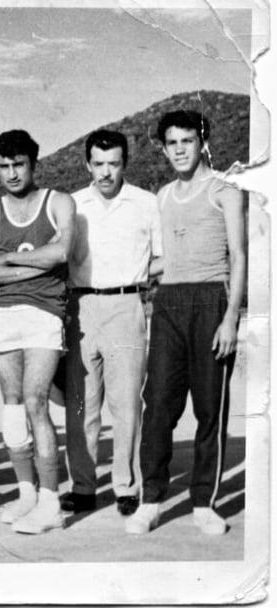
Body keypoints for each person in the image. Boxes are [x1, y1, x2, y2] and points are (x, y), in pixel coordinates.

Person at [125, 110, 246, 535]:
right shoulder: (161, 196)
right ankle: (151, 500)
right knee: (157, 405)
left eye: (187, 141)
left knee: (210, 409)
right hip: (169, 303)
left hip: (211, 300)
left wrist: (231, 318)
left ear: (203, 142)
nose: (179, 149)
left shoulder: (225, 192)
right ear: (163, 148)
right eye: (172, 143)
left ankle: (203, 504)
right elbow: (164, 259)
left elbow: (239, 257)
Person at [0, 129, 76, 534]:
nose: (12, 173)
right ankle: (28, 494)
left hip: (44, 312)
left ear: (34, 164)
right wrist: (36, 261)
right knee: (13, 406)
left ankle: (52, 504)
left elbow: (63, 253)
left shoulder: (58, 203)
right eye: (4, 166)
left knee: (36, 402)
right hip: (1, 313)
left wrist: (10, 258)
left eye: (19, 164)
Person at [61, 129, 162, 517]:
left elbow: (162, 257)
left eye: (114, 164)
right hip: (81, 307)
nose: (106, 173)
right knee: (81, 404)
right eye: (99, 164)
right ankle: (83, 487)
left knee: (126, 404)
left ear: (125, 164)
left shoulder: (146, 203)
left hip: (127, 306)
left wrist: (136, 276)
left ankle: (126, 487)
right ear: (87, 164)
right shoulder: (73, 205)